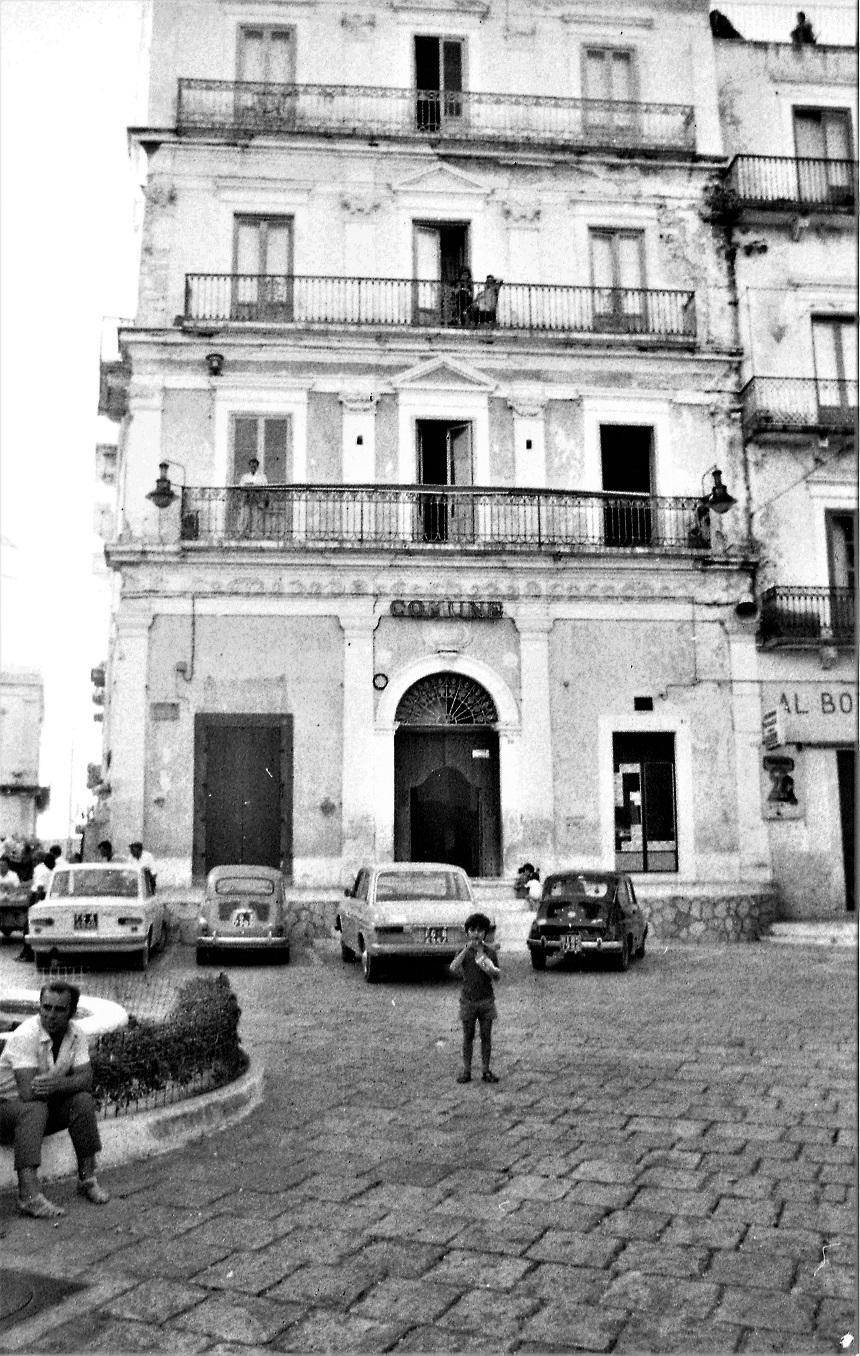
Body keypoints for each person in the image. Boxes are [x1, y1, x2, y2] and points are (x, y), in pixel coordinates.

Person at [0, 981, 110, 1218]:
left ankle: (87, 1180)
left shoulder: (76, 1034)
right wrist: (67, 1083)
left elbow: (86, 1080)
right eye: (46, 1007)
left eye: (59, 1009)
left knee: (82, 1101)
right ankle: (29, 1196)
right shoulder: (26, 1035)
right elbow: (29, 1093)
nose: (51, 1015)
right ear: (39, 1007)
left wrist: (57, 1084)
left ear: (72, 1012)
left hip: (33, 1113)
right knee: (35, 1108)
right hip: (4, 1110)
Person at [449, 912, 501, 1084]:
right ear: (467, 932)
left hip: (486, 999)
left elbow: (497, 976)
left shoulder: (490, 952)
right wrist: (466, 949)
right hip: (468, 1000)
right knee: (468, 1036)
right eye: (472, 930)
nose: (476, 934)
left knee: (486, 1036)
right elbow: (453, 967)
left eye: (480, 930)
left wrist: (489, 968)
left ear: (485, 933)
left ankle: (486, 1070)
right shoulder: (463, 952)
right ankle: (467, 1070)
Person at [238, 456, 269, 535]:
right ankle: (244, 533)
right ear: (249, 466)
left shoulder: (262, 477)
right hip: (247, 499)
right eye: (251, 466)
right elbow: (241, 487)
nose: (253, 468)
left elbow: (265, 488)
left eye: (254, 466)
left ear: (257, 466)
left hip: (257, 500)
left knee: (257, 517)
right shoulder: (245, 477)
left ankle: (256, 534)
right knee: (246, 517)